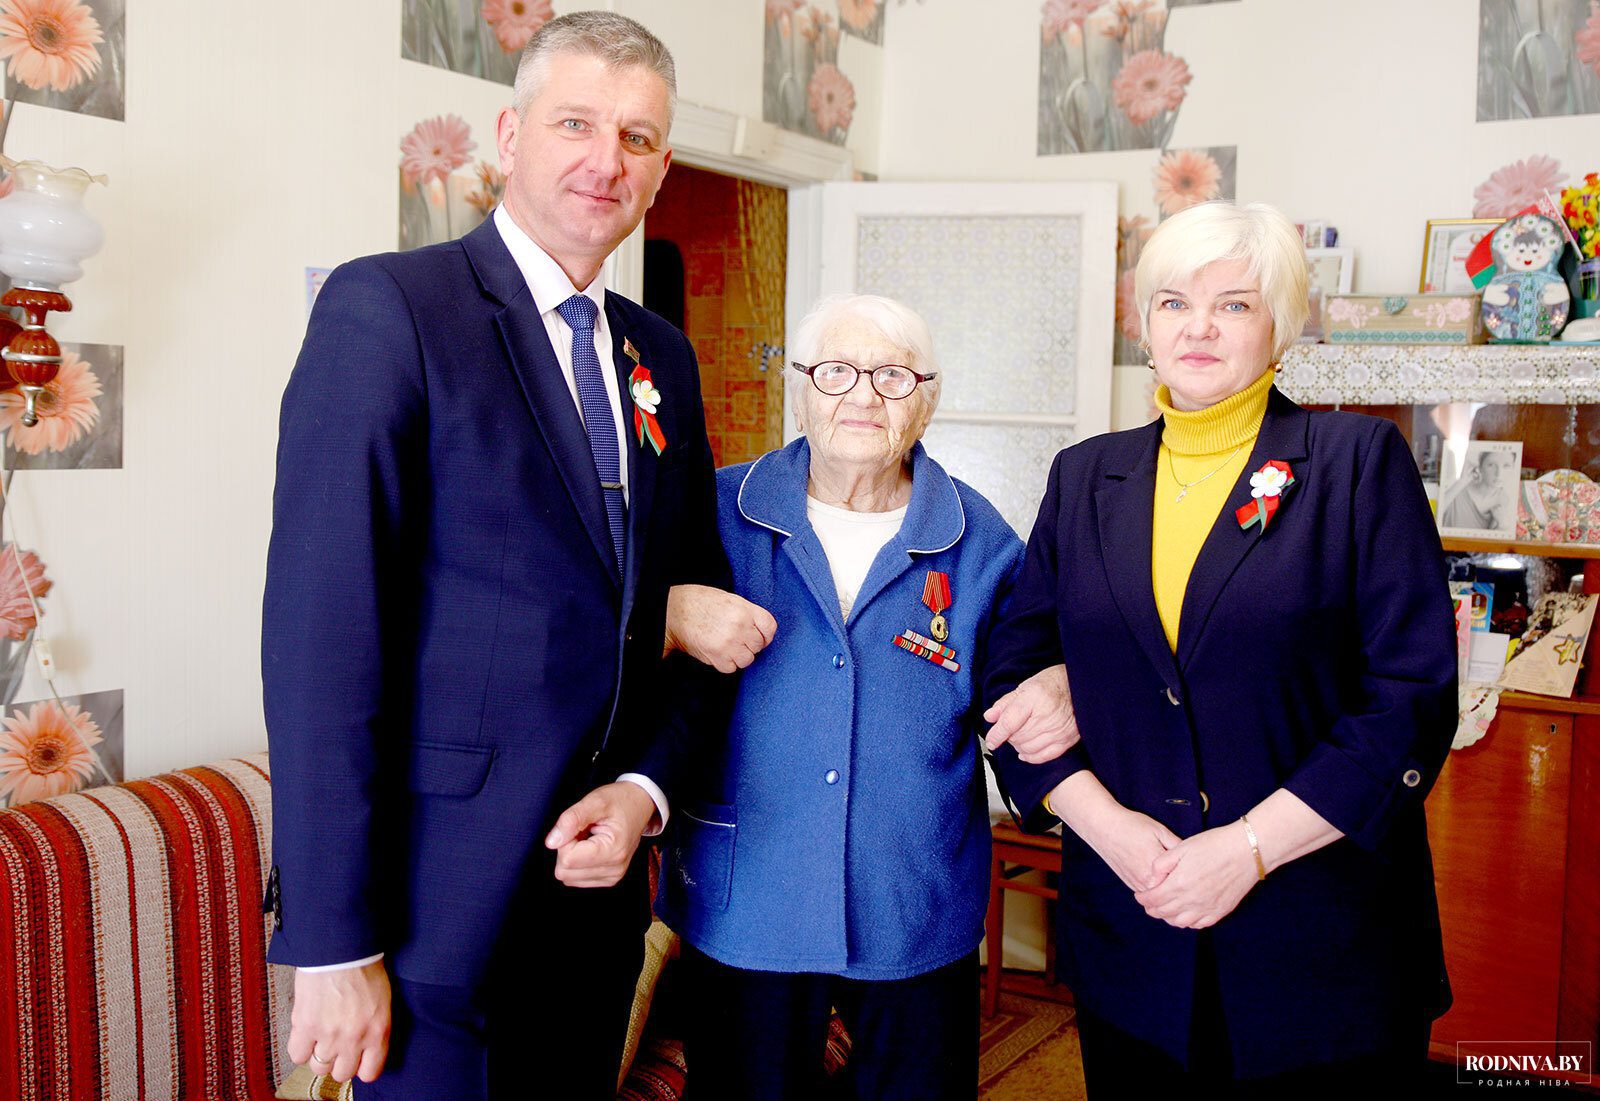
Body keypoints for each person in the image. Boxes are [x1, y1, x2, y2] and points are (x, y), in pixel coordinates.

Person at [261, 14, 771, 1098]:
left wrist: (642, 791)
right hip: (429, 918)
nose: (605, 160)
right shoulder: (392, 309)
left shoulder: (662, 356)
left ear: (660, 169)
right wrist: (335, 942)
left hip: (594, 912)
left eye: (637, 138)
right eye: (575, 123)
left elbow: (691, 609)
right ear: (508, 135)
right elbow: (322, 638)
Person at [985, 201, 1458, 1094]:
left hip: (1317, 948)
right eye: (1173, 302)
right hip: (1134, 931)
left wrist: (1247, 848)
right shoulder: (1085, 475)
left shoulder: (1357, 462)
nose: (1197, 326)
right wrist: (1113, 832)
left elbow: (1410, 698)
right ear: (1144, 324)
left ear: (1280, 327)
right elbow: (1009, 674)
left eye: (1233, 304)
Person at [656, 294, 1079, 1101]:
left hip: (913, 902)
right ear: (801, 390)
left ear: (927, 399)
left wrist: (1060, 682)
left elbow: (1023, 675)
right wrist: (667, 609)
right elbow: (609, 618)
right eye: (837, 372)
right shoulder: (717, 512)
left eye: (892, 376)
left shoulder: (980, 538)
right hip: (749, 899)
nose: (862, 396)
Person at [1439, 447, 1515, 530]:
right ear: (1480, 467)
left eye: (1506, 466)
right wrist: (1462, 481)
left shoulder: (1506, 501)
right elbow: (1435, 513)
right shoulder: (1460, 488)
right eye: (1491, 465)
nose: (1499, 473)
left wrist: (1502, 525)